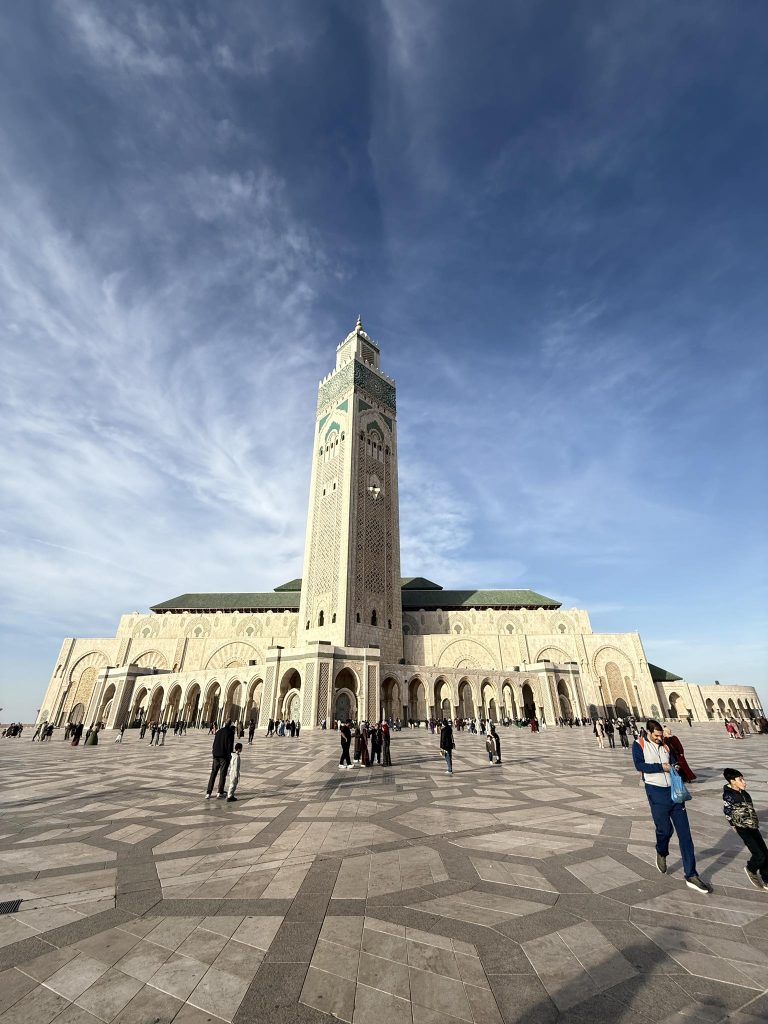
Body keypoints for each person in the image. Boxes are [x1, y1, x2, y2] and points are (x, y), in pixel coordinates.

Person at [632, 719, 709, 893]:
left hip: (675, 791)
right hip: (656, 792)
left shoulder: (666, 746)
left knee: (685, 835)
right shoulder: (639, 744)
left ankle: (691, 874)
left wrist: (675, 766)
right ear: (649, 732)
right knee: (665, 830)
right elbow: (639, 765)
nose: (660, 738)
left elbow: (675, 761)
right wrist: (661, 767)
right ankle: (661, 851)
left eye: (661, 735)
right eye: (657, 736)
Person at [722, 768, 768, 890]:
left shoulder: (745, 793)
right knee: (759, 855)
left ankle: (766, 879)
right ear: (732, 781)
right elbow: (727, 811)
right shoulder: (729, 795)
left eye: (743, 779)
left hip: (753, 826)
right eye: (741, 780)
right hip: (742, 828)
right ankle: (751, 868)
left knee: (765, 853)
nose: (744, 782)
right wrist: (733, 825)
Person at [206, 720, 235, 799]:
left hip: (216, 755)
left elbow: (214, 743)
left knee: (213, 774)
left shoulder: (218, 731)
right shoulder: (230, 732)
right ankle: (220, 792)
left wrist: (214, 753)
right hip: (224, 756)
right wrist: (230, 757)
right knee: (222, 774)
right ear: (230, 725)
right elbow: (230, 746)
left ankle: (208, 793)